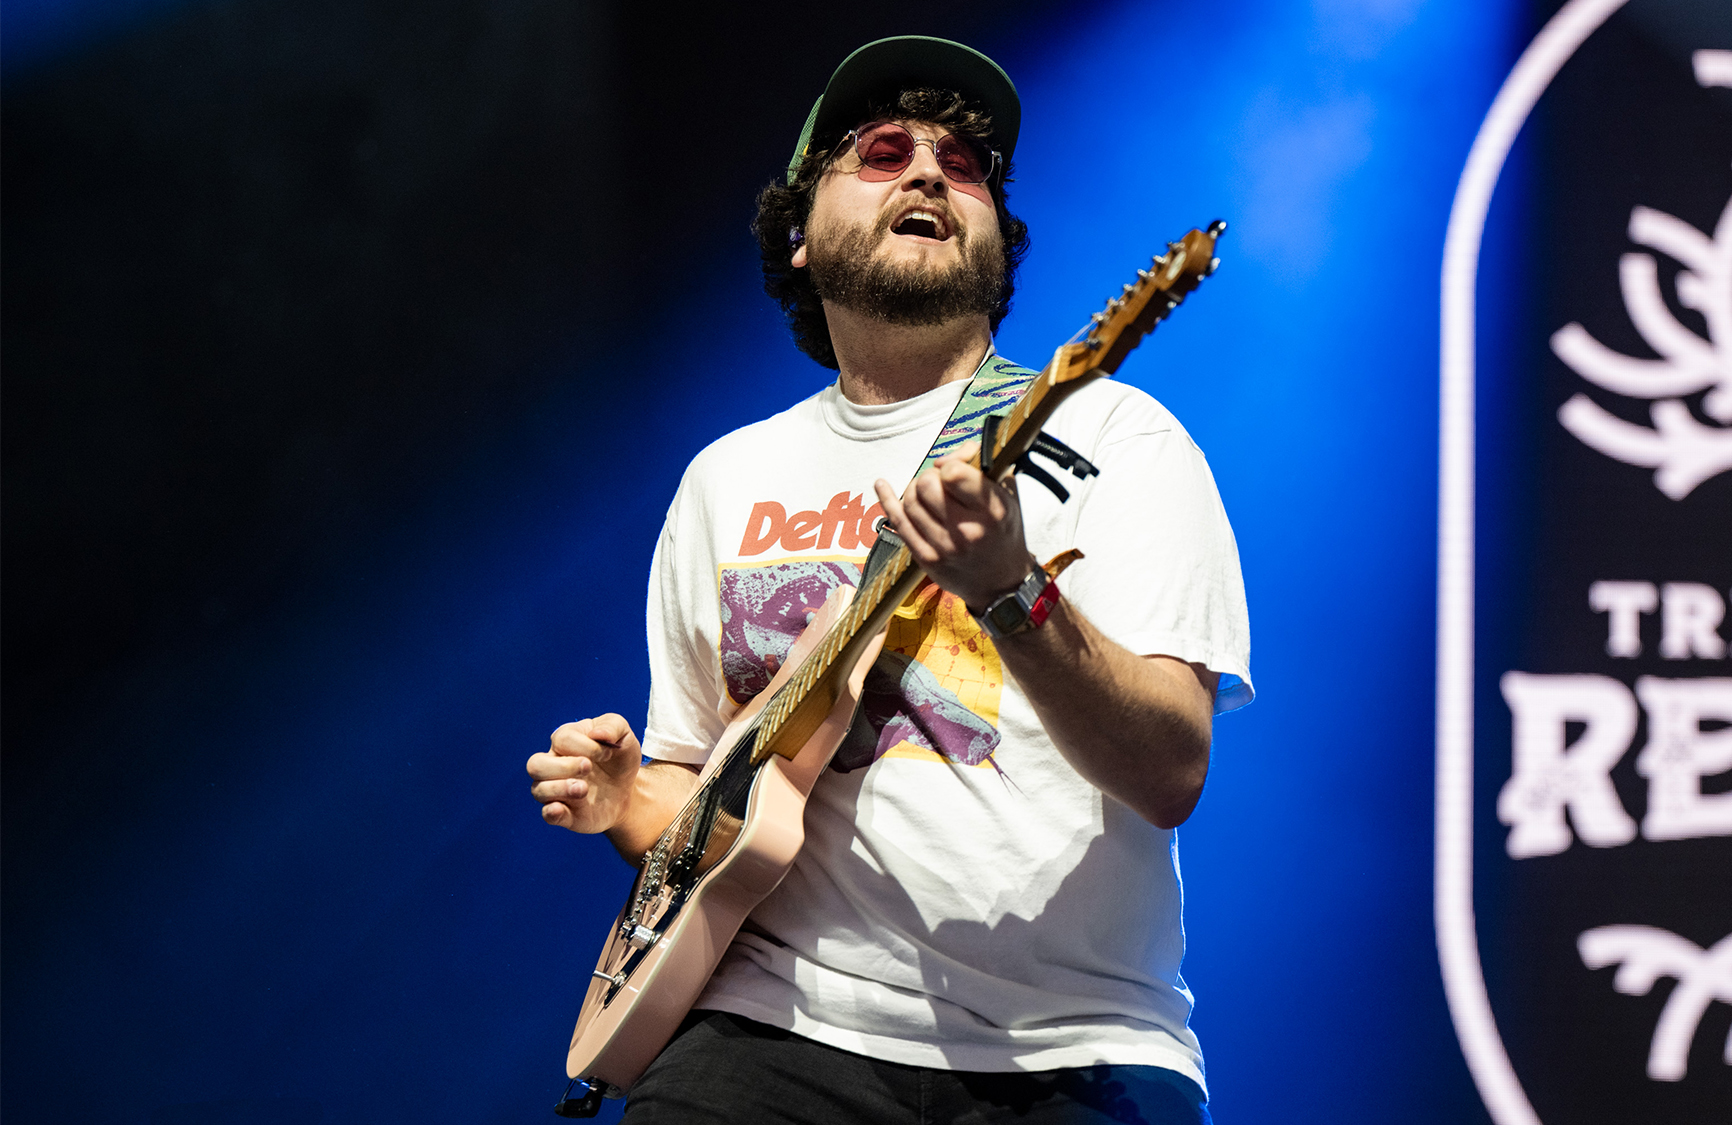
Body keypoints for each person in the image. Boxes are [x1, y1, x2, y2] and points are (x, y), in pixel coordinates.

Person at [526, 36, 1252, 1124]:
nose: (927, 173)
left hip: (1069, 1049)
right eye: (880, 151)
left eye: (965, 167)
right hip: (771, 1029)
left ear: (998, 250)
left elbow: (1168, 773)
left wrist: (1011, 587)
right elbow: (714, 810)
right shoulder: (727, 479)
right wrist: (629, 799)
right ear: (799, 237)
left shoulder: (1116, 433)